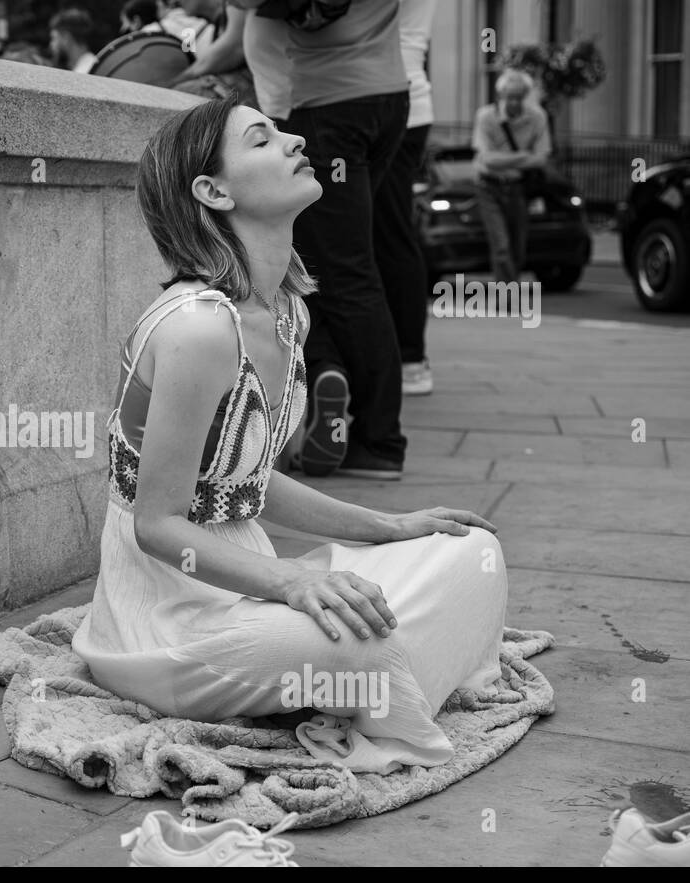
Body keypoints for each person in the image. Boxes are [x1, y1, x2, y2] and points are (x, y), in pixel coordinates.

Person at [71, 93, 507, 774]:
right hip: (168, 622)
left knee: (471, 550)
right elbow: (157, 524)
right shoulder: (196, 328)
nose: (296, 141)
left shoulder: (286, 311)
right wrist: (290, 586)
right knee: (363, 648)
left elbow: (249, 480)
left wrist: (391, 527)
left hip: (250, 583)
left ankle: (387, 673)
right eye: (262, 139)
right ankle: (388, 679)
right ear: (213, 190)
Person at [246, 0, 411, 481]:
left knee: (341, 269)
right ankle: (327, 371)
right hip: (388, 97)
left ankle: (380, 439)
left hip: (328, 102)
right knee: (338, 259)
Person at [374, 0, 436, 396]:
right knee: (390, 234)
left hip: (389, 101)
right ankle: (408, 357)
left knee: (388, 236)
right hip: (406, 102)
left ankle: (410, 360)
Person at [472, 69, 551, 283]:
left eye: (519, 97)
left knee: (517, 246)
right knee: (501, 246)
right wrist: (524, 156)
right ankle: (505, 296)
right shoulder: (486, 117)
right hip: (488, 186)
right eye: (510, 97)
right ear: (500, 96)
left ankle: (510, 286)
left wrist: (505, 159)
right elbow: (487, 160)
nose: (514, 103)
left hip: (518, 187)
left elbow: (542, 158)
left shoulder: (537, 117)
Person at [49, 8, 98, 73]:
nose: (51, 44)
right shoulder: (89, 65)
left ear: (66, 37)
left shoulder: (85, 71)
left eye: (54, 38)